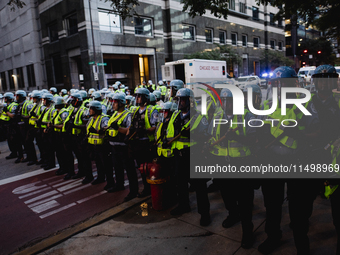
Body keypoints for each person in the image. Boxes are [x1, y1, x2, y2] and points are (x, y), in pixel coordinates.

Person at [164, 88, 211, 227]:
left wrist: (190, 135)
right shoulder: (175, 116)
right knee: (181, 183)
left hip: (194, 155)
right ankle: (184, 205)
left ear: (190, 101)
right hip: (179, 155)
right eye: (178, 99)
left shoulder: (199, 117)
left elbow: (206, 136)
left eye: (182, 99)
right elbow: (170, 133)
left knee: (200, 186)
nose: (179, 102)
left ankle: (205, 214)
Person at [106, 93, 139, 200]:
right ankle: (119, 185)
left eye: (115, 102)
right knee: (117, 168)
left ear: (121, 103)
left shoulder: (128, 115)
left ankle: (133, 191)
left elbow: (129, 131)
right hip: (113, 146)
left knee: (130, 170)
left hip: (123, 147)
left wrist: (118, 128)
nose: (113, 104)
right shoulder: (114, 114)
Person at [127, 88, 158, 197]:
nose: (137, 98)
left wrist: (145, 130)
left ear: (145, 98)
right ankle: (146, 187)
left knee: (148, 168)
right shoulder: (134, 110)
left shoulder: (151, 110)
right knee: (141, 169)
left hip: (147, 143)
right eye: (136, 96)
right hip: (136, 143)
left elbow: (156, 126)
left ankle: (150, 188)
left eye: (139, 96)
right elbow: (131, 126)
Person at [86, 101, 113, 189]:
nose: (89, 110)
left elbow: (106, 128)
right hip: (93, 145)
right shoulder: (91, 119)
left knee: (106, 165)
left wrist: (97, 131)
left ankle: (110, 182)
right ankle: (100, 177)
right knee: (98, 164)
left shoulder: (104, 119)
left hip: (102, 146)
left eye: (91, 108)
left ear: (96, 110)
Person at [48, 96, 69, 176]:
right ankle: (62, 167)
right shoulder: (56, 112)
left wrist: (53, 126)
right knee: (58, 153)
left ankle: (65, 168)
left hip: (62, 134)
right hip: (56, 134)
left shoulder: (64, 112)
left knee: (63, 152)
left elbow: (63, 125)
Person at [38, 93, 56, 170]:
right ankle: (47, 162)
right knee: (45, 148)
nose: (43, 101)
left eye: (44, 100)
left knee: (49, 148)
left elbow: (51, 122)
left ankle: (51, 163)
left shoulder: (52, 109)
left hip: (49, 131)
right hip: (43, 130)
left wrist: (44, 125)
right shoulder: (45, 109)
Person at [0, 92, 18, 159]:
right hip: (5, 124)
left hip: (11, 124)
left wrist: (7, 111)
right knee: (9, 140)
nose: (4, 99)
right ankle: (13, 152)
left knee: (13, 139)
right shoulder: (5, 105)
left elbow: (12, 116)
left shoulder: (13, 105)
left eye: (6, 98)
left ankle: (15, 152)